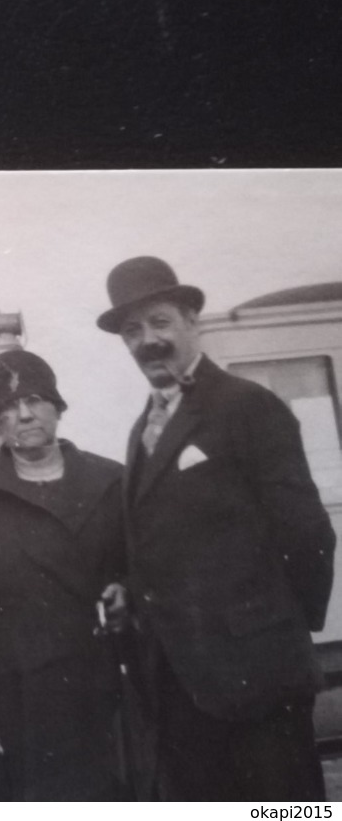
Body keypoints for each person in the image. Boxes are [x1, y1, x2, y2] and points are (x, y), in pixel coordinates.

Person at [99, 256, 336, 800]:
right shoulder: (143, 431)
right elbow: (165, 544)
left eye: (159, 322)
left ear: (191, 321)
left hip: (257, 679)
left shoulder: (248, 406)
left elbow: (307, 533)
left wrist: (275, 632)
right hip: (183, 688)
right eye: (133, 331)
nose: (147, 341)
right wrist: (130, 591)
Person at [0, 349, 127, 800]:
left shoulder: (112, 482)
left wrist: (127, 589)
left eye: (34, 400)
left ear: (57, 406)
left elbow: (148, 569)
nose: (24, 414)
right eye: (8, 408)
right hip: (30, 703)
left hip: (117, 688)